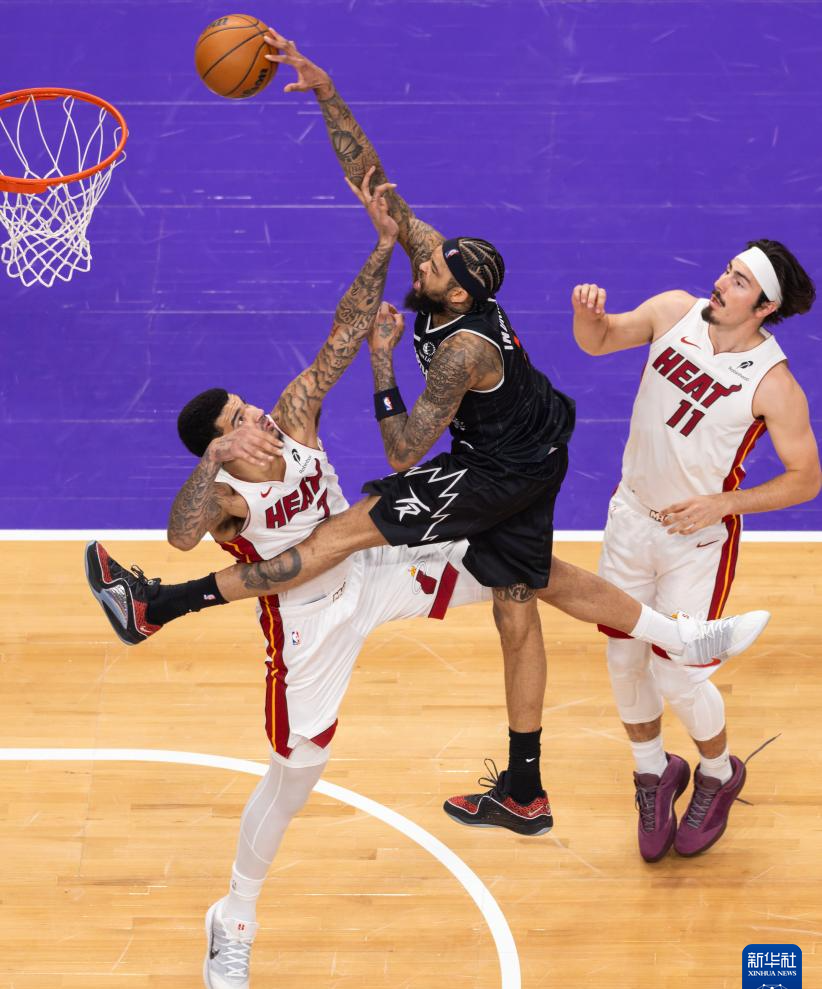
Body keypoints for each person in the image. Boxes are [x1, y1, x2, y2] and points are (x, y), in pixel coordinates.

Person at [87, 36, 771, 845]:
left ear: (459, 294)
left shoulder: (461, 351)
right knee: (524, 593)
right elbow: (374, 181)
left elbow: (403, 451)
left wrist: (383, 362)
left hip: (499, 465)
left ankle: (162, 605)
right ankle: (532, 784)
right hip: (534, 445)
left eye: (438, 264)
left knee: (344, 532)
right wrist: (324, 89)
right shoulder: (446, 282)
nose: (428, 257)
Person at [572, 240, 819, 861]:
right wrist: (587, 315)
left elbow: (806, 479)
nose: (721, 283)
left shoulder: (774, 384)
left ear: (764, 307)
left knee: (676, 671)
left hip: (697, 541)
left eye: (739, 282)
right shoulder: (672, 311)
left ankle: (717, 773)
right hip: (630, 519)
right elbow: (598, 342)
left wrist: (724, 504)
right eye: (727, 271)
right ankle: (653, 772)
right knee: (624, 658)